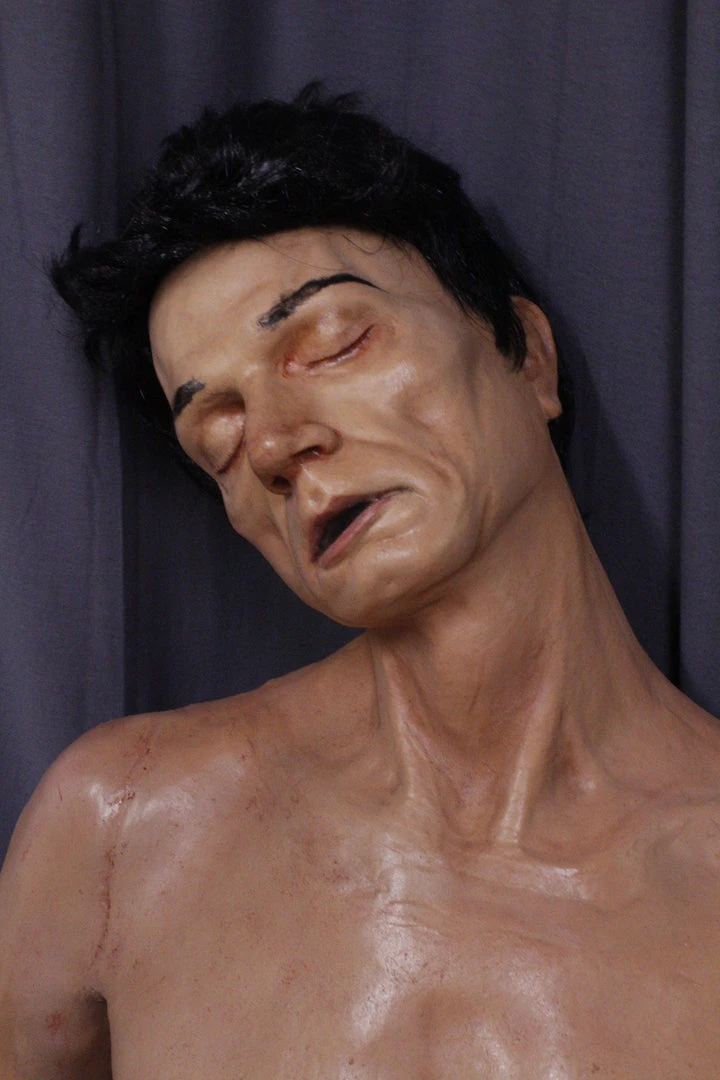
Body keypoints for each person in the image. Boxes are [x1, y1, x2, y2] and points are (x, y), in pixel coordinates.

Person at [1, 84, 719, 1079]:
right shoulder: (121, 835)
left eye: (337, 343)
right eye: (219, 437)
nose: (275, 445)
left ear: (527, 357)